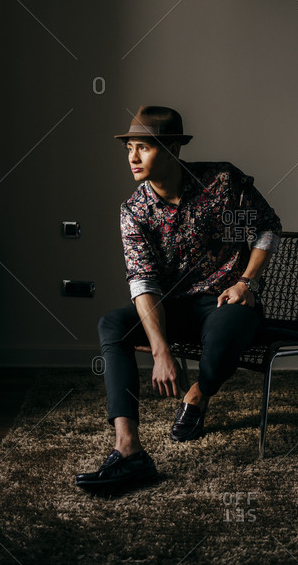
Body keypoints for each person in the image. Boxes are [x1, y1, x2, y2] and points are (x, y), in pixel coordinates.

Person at [76, 105, 282, 489]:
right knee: (113, 324)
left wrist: (246, 282)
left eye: (145, 148)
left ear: (172, 150)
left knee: (225, 332)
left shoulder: (221, 184)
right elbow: (143, 282)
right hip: (174, 306)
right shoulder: (135, 211)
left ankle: (198, 395)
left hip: (228, 298)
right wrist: (160, 350)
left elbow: (266, 230)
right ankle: (128, 449)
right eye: (129, 148)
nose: (133, 158)